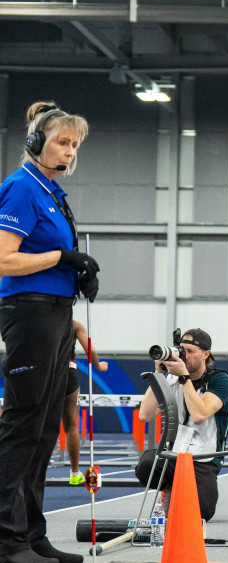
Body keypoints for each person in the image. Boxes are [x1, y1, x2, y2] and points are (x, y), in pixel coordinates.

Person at [0, 101, 98, 563]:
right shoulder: (22, 188)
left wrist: (77, 275)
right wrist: (62, 258)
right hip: (29, 314)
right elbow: (4, 259)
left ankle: (32, 534)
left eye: (74, 145)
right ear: (37, 142)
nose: (70, 152)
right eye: (62, 142)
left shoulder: (52, 192)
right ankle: (7, 540)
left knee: (43, 430)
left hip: (57, 314)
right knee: (23, 424)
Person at [135, 329, 228, 524]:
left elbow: (199, 415)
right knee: (146, 465)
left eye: (190, 351)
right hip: (173, 452)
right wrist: (159, 374)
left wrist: (184, 378)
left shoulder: (220, 379)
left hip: (203, 457)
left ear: (205, 354)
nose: (184, 356)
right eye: (182, 350)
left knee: (201, 513)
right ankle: (167, 490)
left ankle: (181, 492)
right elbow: (145, 415)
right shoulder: (171, 378)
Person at [63, 321, 108, 485]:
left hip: (45, 372)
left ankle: (32, 472)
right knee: (71, 426)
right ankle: (74, 473)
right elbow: (91, 351)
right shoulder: (74, 325)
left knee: (41, 424)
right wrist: (99, 366)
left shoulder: (42, 319)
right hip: (67, 372)